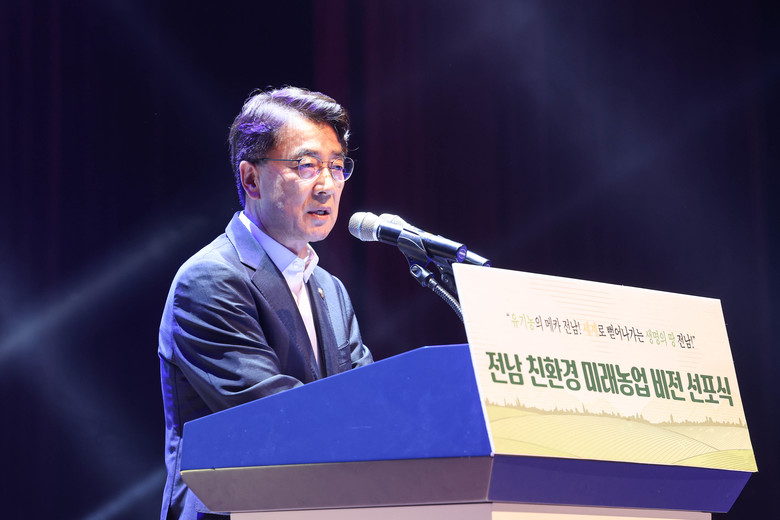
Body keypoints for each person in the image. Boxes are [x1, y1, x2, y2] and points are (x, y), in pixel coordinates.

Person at [158, 87, 373, 520]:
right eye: (306, 165)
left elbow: (370, 396)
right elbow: (274, 416)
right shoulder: (210, 280)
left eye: (336, 166)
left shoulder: (329, 288)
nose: (327, 185)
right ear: (251, 179)